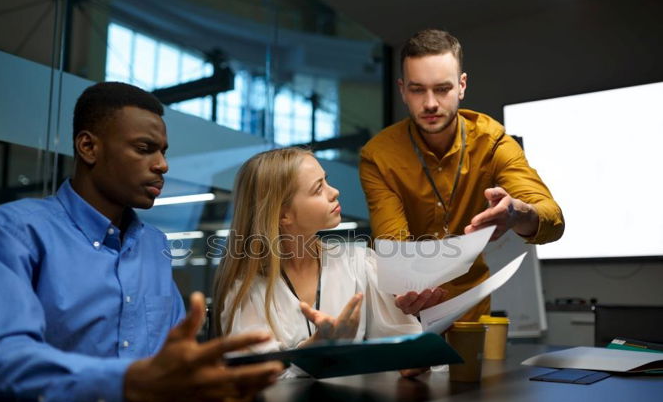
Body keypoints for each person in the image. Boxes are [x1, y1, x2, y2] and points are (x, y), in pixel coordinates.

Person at [0, 82, 282, 402]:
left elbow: (170, 360)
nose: (162, 165)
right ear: (88, 147)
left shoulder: (153, 245)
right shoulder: (13, 231)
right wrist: (130, 383)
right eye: (145, 148)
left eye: (163, 151)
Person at [359, 29, 564, 321]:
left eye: (442, 89)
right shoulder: (378, 155)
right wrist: (406, 286)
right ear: (402, 90)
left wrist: (517, 214)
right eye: (418, 90)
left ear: (462, 85)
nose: (430, 103)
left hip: (470, 307)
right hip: (405, 306)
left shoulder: (491, 141)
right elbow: (394, 242)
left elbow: (553, 220)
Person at [211, 147, 445, 377]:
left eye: (326, 181)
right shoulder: (247, 290)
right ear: (284, 216)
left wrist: (415, 358)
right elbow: (256, 376)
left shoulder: (359, 263)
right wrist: (315, 348)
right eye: (317, 189)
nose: (334, 192)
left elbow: (405, 342)